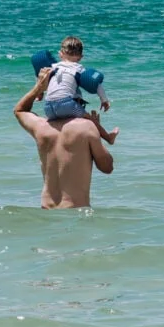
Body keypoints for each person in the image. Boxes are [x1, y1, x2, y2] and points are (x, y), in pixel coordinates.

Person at [14, 68, 113, 209]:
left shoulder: (41, 127)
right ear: (77, 102)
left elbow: (20, 110)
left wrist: (38, 88)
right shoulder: (87, 127)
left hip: (46, 211)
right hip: (75, 212)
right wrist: (97, 133)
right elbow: (107, 167)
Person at [41, 36, 119, 145]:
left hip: (48, 107)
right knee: (91, 121)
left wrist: (39, 95)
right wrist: (104, 100)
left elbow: (42, 80)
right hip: (66, 105)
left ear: (60, 54)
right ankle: (108, 137)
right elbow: (96, 84)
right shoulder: (78, 68)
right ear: (80, 57)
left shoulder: (53, 67)